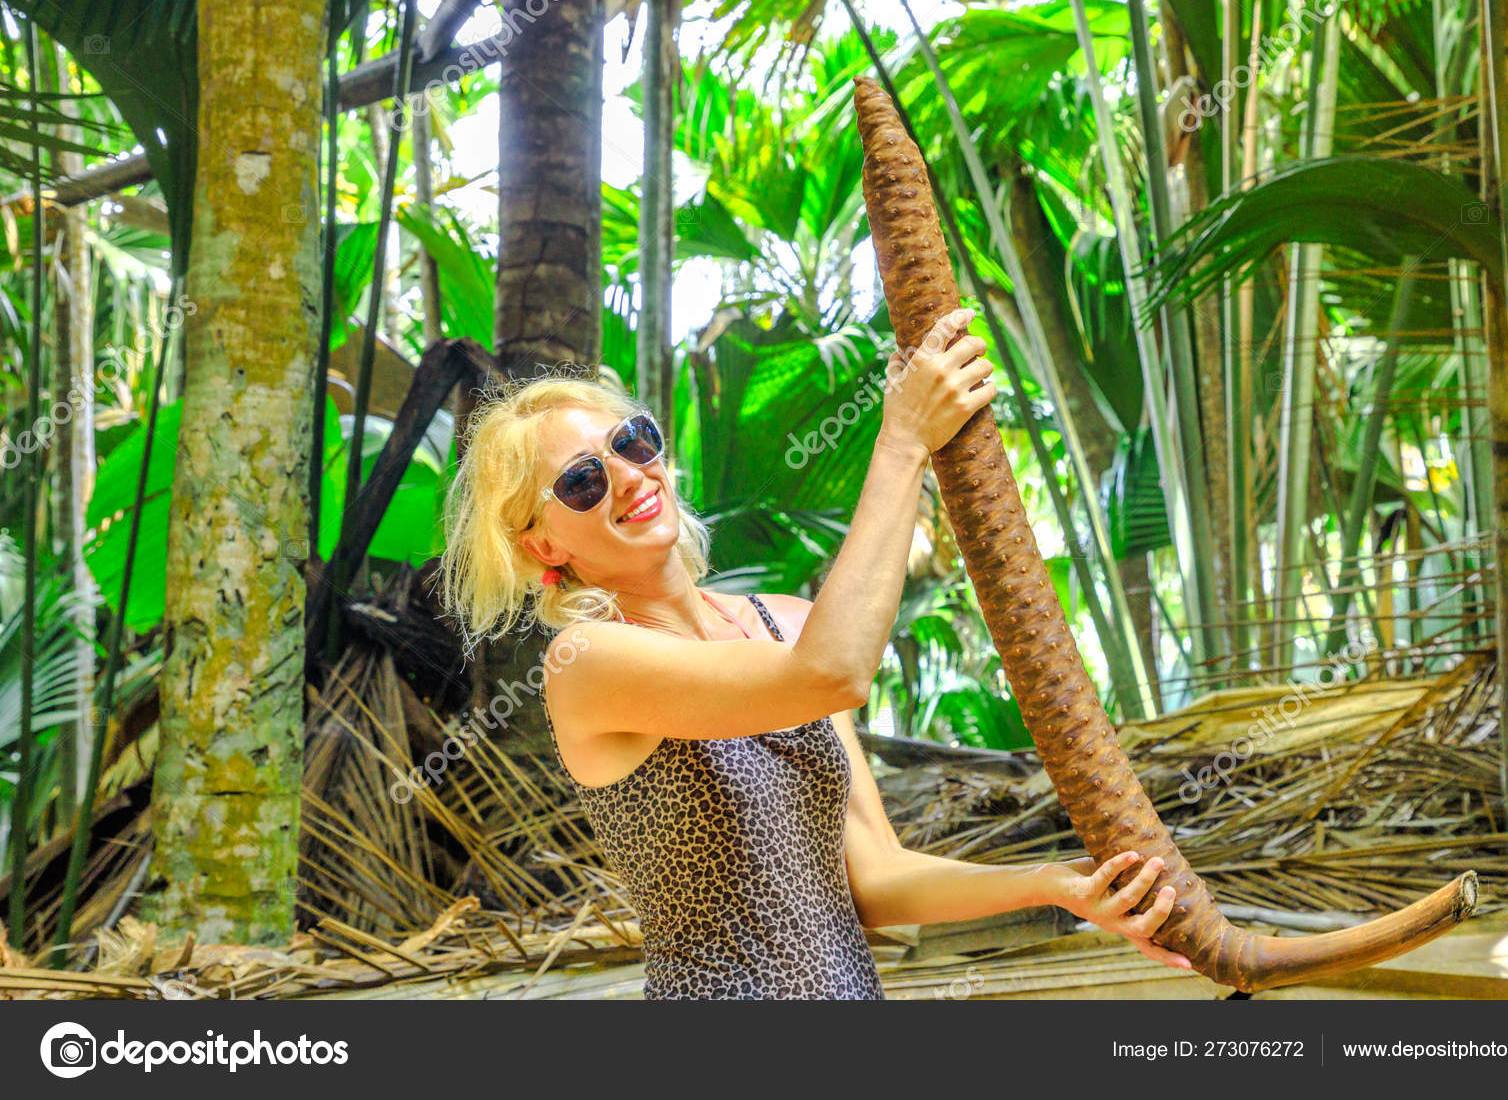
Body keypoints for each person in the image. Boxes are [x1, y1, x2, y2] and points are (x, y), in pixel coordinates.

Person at [434, 306, 1190, 999]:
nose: (629, 476)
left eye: (631, 441)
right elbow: (835, 671)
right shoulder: (588, 662)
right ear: (542, 543)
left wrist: (1057, 885)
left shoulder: (788, 622)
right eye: (582, 480)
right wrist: (899, 442)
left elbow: (877, 878)